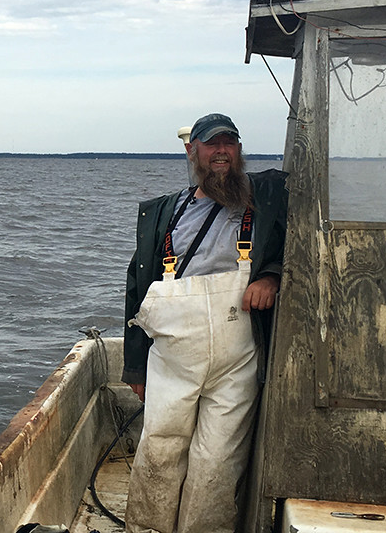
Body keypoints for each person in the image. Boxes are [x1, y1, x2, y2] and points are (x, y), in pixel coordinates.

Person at [122, 113, 288, 533]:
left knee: (218, 460)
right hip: (173, 356)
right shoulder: (164, 212)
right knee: (160, 447)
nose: (221, 152)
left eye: (229, 143)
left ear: (239, 151)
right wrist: (136, 367)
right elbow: (137, 290)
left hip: (237, 357)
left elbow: (298, 240)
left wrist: (270, 275)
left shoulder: (266, 196)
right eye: (211, 144)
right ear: (191, 150)